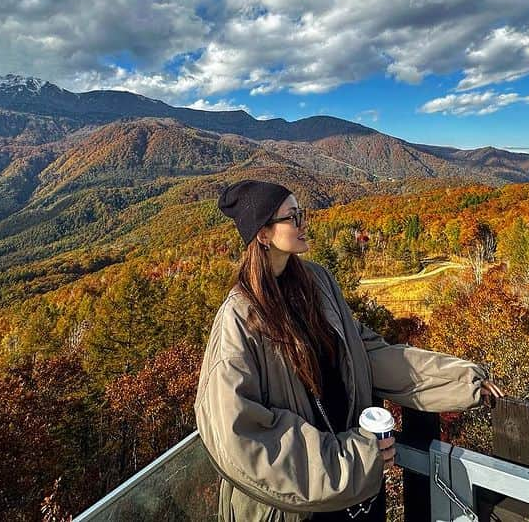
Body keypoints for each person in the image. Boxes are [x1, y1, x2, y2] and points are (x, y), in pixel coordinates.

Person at [195, 179, 505, 521]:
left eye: (303, 213)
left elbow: (368, 352)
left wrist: (463, 381)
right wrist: (353, 460)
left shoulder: (318, 284)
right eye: (293, 216)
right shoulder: (239, 320)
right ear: (263, 235)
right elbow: (241, 437)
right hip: (296, 509)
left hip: (356, 498)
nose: (304, 223)